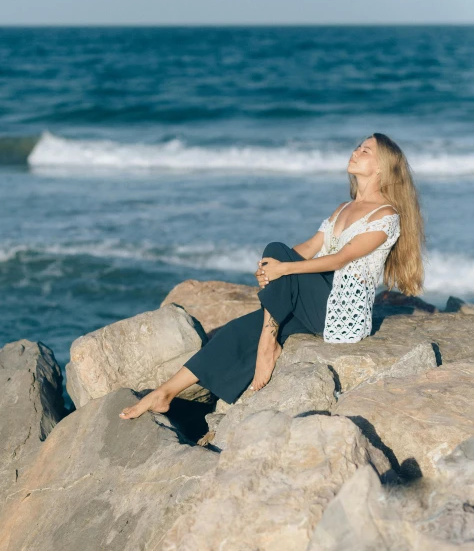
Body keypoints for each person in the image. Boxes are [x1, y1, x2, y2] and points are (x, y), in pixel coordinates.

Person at [119, 132, 425, 420]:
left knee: (276, 255)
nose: (356, 151)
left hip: (341, 310)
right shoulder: (344, 208)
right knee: (238, 330)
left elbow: (342, 258)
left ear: (382, 169)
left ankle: (269, 346)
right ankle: (165, 393)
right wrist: (271, 267)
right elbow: (308, 247)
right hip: (316, 300)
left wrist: (284, 267)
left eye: (365, 150)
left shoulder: (385, 214)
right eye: (358, 146)